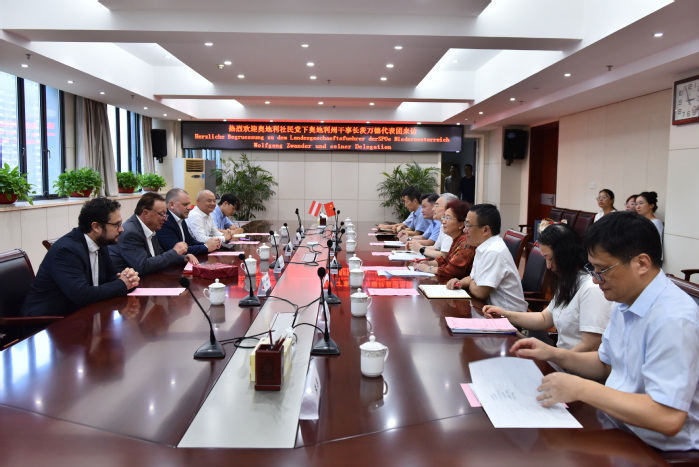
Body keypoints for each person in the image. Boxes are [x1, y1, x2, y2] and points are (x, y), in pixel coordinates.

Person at [510, 211, 699, 451]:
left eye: (602, 269)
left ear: (641, 263)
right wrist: (554, 354)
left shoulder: (672, 319)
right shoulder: (625, 300)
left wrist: (582, 388)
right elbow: (605, 364)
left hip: (658, 450)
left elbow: (667, 417)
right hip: (617, 425)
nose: (595, 280)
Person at [483, 223, 611, 351]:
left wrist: (553, 357)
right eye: (546, 259)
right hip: (562, 357)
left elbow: (591, 345)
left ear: (566, 254)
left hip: (573, 361)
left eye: (550, 259)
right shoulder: (569, 280)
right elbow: (544, 319)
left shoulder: (591, 289)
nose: (548, 266)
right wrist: (506, 314)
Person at [21, 197, 140, 317]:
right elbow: (82, 295)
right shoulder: (67, 251)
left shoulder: (100, 244)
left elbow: (112, 279)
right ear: (96, 227)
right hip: (47, 321)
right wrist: (122, 284)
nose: (121, 229)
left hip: (81, 315)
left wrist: (129, 279)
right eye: (116, 225)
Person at [446, 203, 527, 312]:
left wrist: (471, 282)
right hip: (489, 310)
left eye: (468, 225)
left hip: (507, 316)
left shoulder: (494, 251)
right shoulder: (483, 246)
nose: (465, 230)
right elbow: (473, 277)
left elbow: (480, 292)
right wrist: (460, 283)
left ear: (485, 230)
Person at [109, 193, 198, 276]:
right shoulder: (130, 233)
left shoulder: (150, 227)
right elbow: (143, 266)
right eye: (161, 214)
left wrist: (182, 258)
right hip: (128, 283)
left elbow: (159, 255)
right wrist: (175, 252)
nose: (165, 219)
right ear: (146, 213)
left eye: (165, 215)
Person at [413, 200, 475, 281]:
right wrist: (427, 263)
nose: (443, 221)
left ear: (461, 224)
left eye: (448, 218)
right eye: (444, 217)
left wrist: (428, 269)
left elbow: (453, 271)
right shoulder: (457, 239)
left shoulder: (465, 242)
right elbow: (446, 259)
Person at [157, 188, 221, 256]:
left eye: (189, 204)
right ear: (172, 205)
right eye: (185, 205)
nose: (189, 207)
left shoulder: (180, 218)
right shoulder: (164, 222)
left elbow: (190, 241)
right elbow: (178, 250)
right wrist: (206, 247)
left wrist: (211, 245)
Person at [412, 193, 459, 259]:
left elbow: (444, 255)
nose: (433, 209)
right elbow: (436, 248)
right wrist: (415, 246)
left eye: (436, 206)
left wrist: (421, 249)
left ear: (449, 207)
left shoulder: (451, 226)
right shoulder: (442, 225)